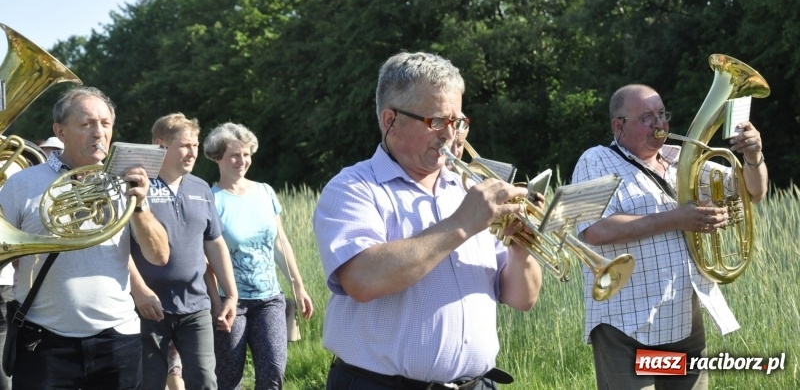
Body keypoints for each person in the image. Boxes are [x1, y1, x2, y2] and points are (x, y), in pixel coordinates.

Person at [313, 51, 543, 390]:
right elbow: (362, 280)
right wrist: (463, 222)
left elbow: (523, 300)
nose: (451, 135)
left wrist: (521, 248)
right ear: (390, 119)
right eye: (437, 121)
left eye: (459, 121)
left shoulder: (469, 189)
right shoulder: (353, 187)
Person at [572, 84, 769, 390]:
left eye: (662, 114)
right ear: (618, 126)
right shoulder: (593, 160)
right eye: (647, 117)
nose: (660, 123)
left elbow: (753, 192)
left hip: (683, 322)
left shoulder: (683, 159)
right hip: (627, 327)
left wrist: (754, 156)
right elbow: (595, 230)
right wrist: (676, 219)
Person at [0, 86, 170, 389]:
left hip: (117, 337)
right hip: (43, 339)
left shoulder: (126, 184)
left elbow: (159, 256)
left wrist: (140, 205)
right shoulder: (22, 184)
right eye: (86, 124)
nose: (98, 133)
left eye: (105, 124)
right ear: (59, 131)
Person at [129, 113, 238, 390]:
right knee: (148, 383)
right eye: (185, 145)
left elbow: (214, 243)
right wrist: (138, 291)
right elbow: (118, 249)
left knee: (204, 381)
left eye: (195, 146)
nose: (193, 152)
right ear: (160, 144)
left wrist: (231, 294)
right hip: (148, 308)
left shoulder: (201, 187)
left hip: (195, 306)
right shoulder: (136, 187)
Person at [203, 122, 313, 390]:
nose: (242, 161)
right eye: (234, 155)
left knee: (274, 370)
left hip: (270, 299)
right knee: (228, 379)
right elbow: (204, 259)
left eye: (247, 154)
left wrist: (298, 286)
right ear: (218, 157)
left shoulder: (265, 192)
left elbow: (280, 242)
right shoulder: (210, 199)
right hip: (231, 303)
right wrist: (216, 302)